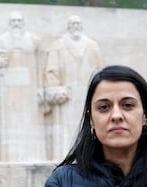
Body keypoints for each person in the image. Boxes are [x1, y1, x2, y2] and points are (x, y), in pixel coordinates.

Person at [44, 15, 104, 161]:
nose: (75, 26)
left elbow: (100, 70)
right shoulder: (58, 45)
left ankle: (90, 157)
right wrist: (56, 90)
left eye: (78, 23)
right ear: (68, 26)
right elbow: (51, 71)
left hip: (89, 95)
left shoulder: (92, 45)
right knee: (65, 131)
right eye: (72, 23)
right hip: (67, 96)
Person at [0, 11, 46, 161]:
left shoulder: (33, 41)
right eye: (13, 21)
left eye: (19, 21)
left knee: (30, 122)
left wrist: (41, 89)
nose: (16, 23)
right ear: (9, 24)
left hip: (30, 89)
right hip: (7, 90)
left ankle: (32, 155)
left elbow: (40, 66)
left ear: (23, 23)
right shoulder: (0, 40)